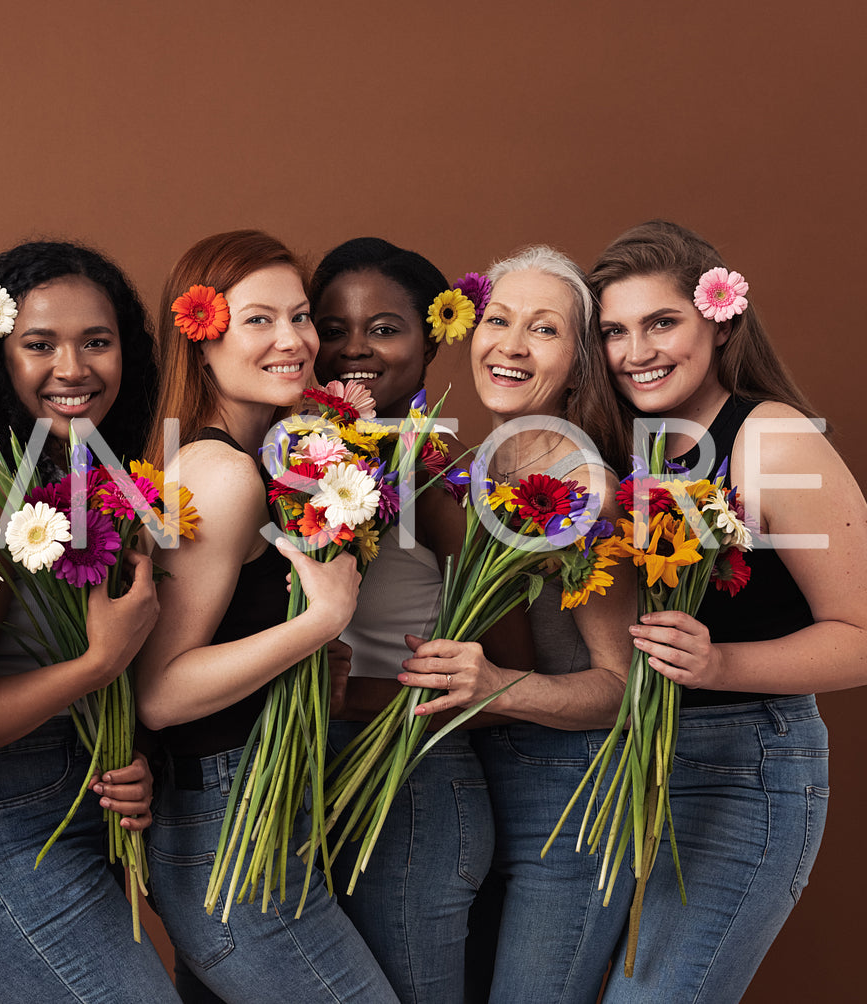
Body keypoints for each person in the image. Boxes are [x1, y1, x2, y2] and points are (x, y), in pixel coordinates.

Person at [562, 219, 867, 1001]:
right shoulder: (625, 445)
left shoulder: (771, 438)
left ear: (718, 321)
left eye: (660, 323)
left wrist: (719, 662)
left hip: (745, 764)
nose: (635, 351)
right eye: (613, 331)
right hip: (634, 765)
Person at [0, 241, 177, 1003]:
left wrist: (126, 758)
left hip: (67, 808)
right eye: (39, 345)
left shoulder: (88, 481)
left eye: (97, 341)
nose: (73, 368)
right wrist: (97, 666)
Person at [134, 229, 399, 1003]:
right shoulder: (221, 476)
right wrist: (316, 624)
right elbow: (161, 691)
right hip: (226, 830)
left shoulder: (257, 463)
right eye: (258, 320)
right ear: (201, 342)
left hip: (254, 814)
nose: (294, 340)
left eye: (300, 316)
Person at [397, 246, 637, 1002]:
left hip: (569, 797)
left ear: (578, 363)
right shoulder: (474, 464)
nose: (509, 344)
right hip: (481, 785)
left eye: (543, 330)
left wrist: (495, 686)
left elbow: (620, 690)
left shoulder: (576, 479)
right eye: (497, 320)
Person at [308, 236, 492, 1004]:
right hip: (305, 774)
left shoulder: (444, 477)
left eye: (383, 328)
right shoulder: (288, 459)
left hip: (409, 781)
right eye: (333, 327)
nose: (355, 349)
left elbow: (499, 678)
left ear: (431, 339)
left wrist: (349, 700)